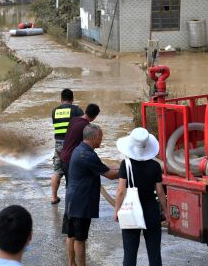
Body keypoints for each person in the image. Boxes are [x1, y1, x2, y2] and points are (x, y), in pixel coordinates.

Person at [62, 124, 119, 266]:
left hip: (72, 199)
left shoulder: (79, 149)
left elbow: (103, 167)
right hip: (81, 203)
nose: (102, 140)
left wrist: (120, 166)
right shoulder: (88, 155)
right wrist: (129, 168)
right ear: (94, 138)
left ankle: (71, 263)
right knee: (80, 240)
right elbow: (110, 175)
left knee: (71, 235)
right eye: (100, 137)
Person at [113, 128, 167, 266]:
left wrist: (117, 211)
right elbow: (160, 191)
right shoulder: (155, 166)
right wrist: (165, 211)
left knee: (130, 254)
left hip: (131, 210)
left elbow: (120, 190)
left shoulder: (126, 164)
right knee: (154, 253)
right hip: (151, 210)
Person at [50, 89, 84, 204]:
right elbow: (82, 126)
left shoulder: (54, 111)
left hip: (59, 144)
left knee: (57, 170)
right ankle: (74, 197)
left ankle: (54, 197)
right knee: (74, 170)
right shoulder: (77, 110)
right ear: (72, 99)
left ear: (61, 100)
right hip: (72, 144)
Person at [60, 103, 101, 184]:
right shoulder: (87, 127)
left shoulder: (73, 120)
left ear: (85, 111)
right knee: (75, 186)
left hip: (63, 157)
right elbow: (88, 146)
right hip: (72, 160)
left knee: (70, 186)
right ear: (95, 117)